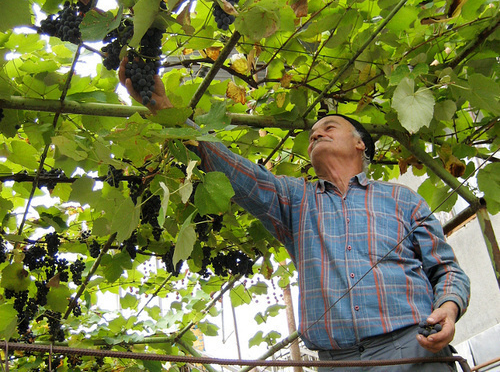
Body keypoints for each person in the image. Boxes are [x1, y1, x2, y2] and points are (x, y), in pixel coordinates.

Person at [119, 59, 470, 371]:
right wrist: (162, 105)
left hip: (412, 350)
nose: (316, 133)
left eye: (329, 127)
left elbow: (447, 269)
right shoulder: (296, 198)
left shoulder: (401, 198)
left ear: (361, 143)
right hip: (336, 363)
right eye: (313, 134)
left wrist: (449, 310)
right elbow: (238, 174)